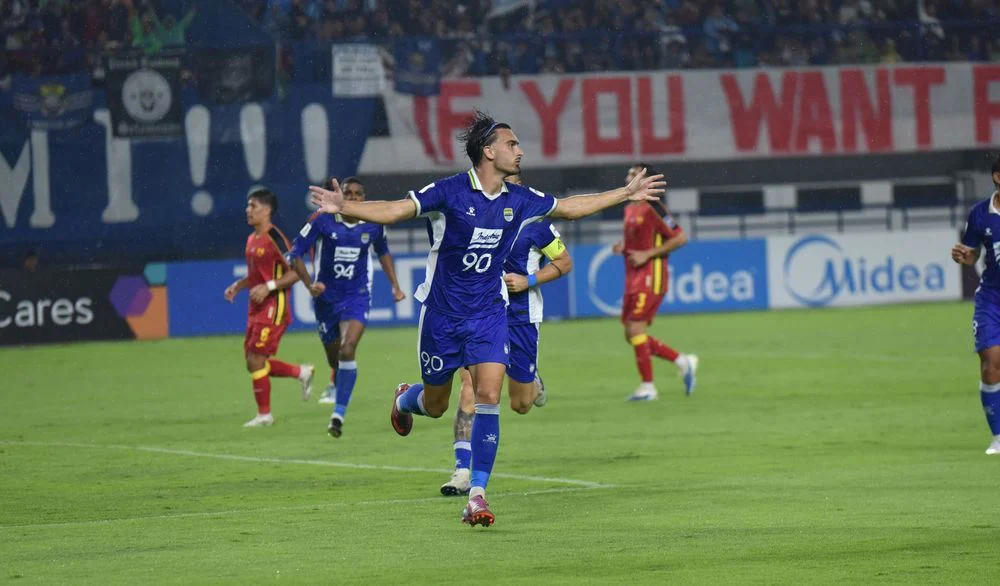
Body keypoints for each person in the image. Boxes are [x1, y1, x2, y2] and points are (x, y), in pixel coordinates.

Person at [308, 110, 664, 527]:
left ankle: (477, 494)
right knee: (437, 405)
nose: (520, 151)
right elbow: (395, 210)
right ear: (488, 151)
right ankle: (406, 398)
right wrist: (345, 206)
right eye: (513, 145)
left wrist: (625, 193)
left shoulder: (521, 199)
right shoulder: (450, 192)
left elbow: (568, 208)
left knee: (488, 397)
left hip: (489, 314)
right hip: (441, 316)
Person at [440, 174, 574, 496]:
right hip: (481, 314)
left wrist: (529, 280)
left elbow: (564, 261)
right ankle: (461, 471)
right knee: (469, 385)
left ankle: (533, 381)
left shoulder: (536, 224)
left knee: (520, 404)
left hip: (521, 317)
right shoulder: (474, 218)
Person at [286, 176, 406, 438]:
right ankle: (338, 384)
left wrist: (395, 285)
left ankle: (338, 415)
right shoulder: (322, 220)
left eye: (357, 194)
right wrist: (309, 285)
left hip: (357, 295)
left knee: (348, 347)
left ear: (363, 199)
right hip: (326, 298)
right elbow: (294, 254)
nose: (352, 197)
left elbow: (383, 252)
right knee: (335, 359)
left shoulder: (374, 224)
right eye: (348, 193)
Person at [224, 189, 315, 428]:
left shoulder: (275, 238)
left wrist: (270, 286)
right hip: (256, 306)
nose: (248, 210)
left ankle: (265, 415)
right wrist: (239, 285)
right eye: (248, 206)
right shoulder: (251, 239)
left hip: (274, 306)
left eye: (252, 206)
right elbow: (256, 275)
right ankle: (301, 372)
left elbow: (296, 271)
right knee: (253, 362)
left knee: (256, 360)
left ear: (266, 210)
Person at [612, 163, 698, 402]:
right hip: (632, 276)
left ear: (646, 180)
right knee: (631, 334)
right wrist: (623, 247)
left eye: (634, 173)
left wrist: (648, 254)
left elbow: (680, 237)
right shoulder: (630, 209)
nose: (628, 176)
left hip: (652, 275)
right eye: (628, 173)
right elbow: (637, 240)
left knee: (637, 329)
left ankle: (648, 387)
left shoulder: (654, 207)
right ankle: (683, 361)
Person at [951, 154, 1000, 455]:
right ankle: (998, 437)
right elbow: (971, 255)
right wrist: (963, 257)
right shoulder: (980, 214)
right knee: (991, 364)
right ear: (998, 177)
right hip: (992, 299)